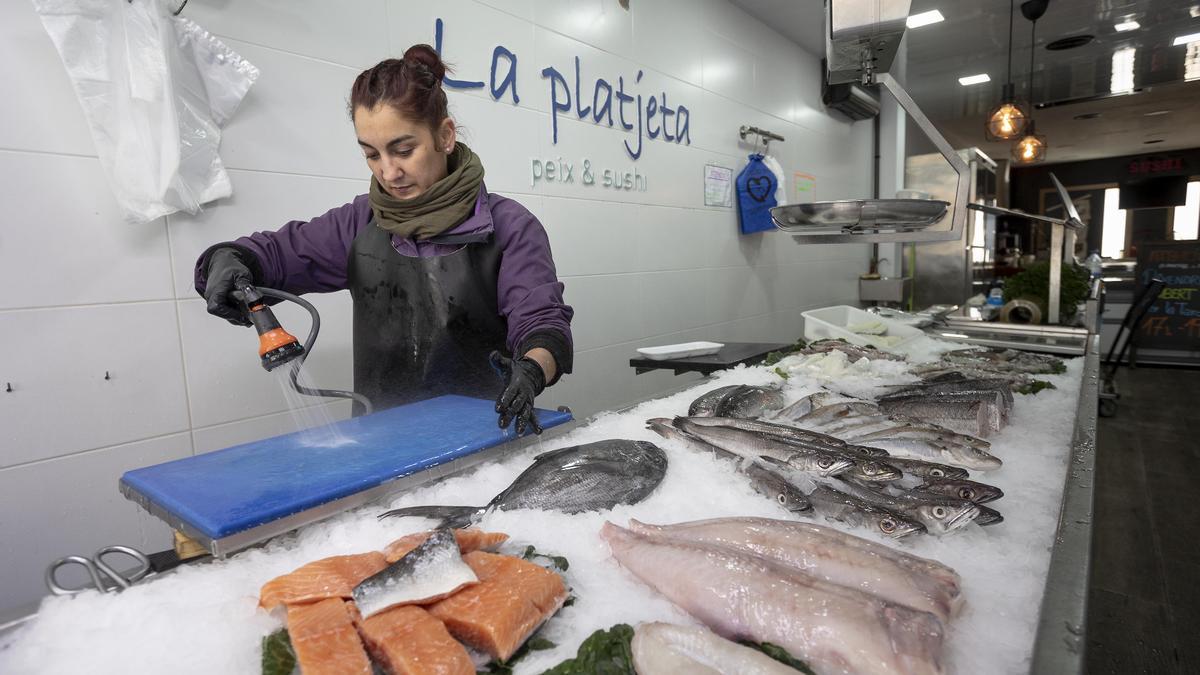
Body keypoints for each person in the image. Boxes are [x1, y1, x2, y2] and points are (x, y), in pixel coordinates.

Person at [194, 45, 573, 434]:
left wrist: (530, 370)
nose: (389, 172)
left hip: (484, 440)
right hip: (382, 448)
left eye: (403, 150)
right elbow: (272, 256)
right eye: (371, 154)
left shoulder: (510, 227)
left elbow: (543, 325)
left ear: (444, 136)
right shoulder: (360, 222)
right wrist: (230, 259)